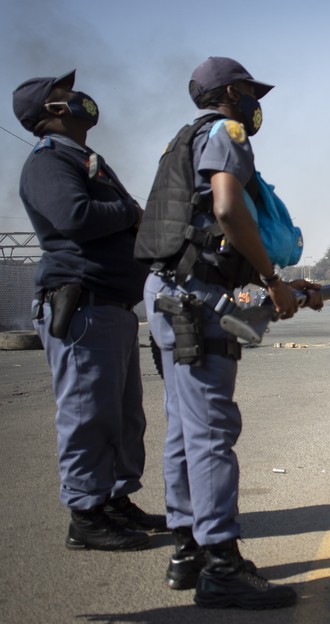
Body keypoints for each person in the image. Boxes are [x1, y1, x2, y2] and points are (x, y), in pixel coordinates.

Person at [137, 57, 321, 609]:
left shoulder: (182, 139)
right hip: (193, 299)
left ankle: (188, 549)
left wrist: (281, 287)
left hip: (171, 292)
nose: (254, 102)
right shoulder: (226, 131)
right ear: (233, 92)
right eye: (250, 92)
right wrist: (272, 278)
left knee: (185, 428)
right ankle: (221, 562)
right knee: (212, 430)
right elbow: (226, 208)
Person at [13, 70, 166, 551]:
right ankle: (86, 513)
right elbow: (73, 217)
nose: (79, 98)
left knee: (122, 416)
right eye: (66, 95)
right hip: (82, 305)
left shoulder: (85, 158)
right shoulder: (49, 161)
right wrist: (130, 212)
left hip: (112, 307)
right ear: (50, 112)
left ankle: (114, 499)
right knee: (87, 414)